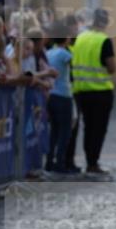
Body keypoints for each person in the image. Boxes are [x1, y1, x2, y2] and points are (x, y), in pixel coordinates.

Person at [70, 7, 116, 179]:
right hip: (100, 91)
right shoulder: (104, 40)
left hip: (80, 90)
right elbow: (111, 67)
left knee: (85, 127)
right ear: (105, 22)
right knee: (98, 129)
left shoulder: (80, 38)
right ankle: (92, 163)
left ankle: (74, 161)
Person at [45, 34, 74, 176]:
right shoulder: (65, 54)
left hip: (51, 94)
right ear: (66, 38)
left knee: (54, 131)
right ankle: (60, 162)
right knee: (64, 131)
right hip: (63, 94)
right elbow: (73, 67)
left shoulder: (48, 52)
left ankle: (49, 161)